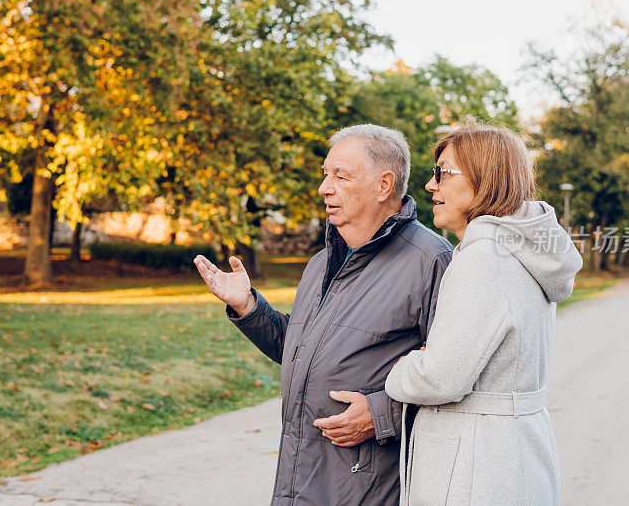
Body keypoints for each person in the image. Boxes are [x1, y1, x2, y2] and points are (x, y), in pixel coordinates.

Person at [194, 124, 452, 505]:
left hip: (368, 487)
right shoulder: (320, 262)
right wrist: (247, 306)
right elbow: (302, 351)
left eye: (341, 176)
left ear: (384, 185)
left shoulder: (432, 261)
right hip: (299, 480)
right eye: (325, 175)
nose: (324, 188)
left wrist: (382, 412)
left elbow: (454, 376)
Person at [385, 124, 583, 505]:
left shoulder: (484, 259)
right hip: (513, 455)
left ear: (484, 179)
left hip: (475, 468)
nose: (430, 185)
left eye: (443, 172)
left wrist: (405, 365)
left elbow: (440, 380)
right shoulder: (518, 252)